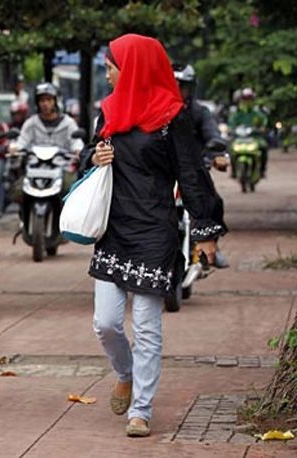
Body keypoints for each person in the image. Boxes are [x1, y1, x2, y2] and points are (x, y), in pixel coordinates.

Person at [83, 34, 224, 437]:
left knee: (146, 325)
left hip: (155, 232)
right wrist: (94, 156)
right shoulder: (107, 112)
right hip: (113, 229)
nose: (107, 72)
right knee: (105, 324)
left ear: (134, 67)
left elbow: (192, 176)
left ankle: (140, 409)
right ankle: (124, 373)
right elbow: (86, 159)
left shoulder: (170, 116)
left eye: (112, 65)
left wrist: (205, 229)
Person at [173, 63, 231, 269]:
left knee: (213, 202)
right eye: (173, 85)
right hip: (163, 175)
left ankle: (210, 245)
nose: (178, 91)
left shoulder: (198, 112)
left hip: (194, 173)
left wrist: (217, 155)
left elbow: (212, 134)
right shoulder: (153, 111)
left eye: (183, 86)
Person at [16, 83, 83, 157]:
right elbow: (22, 140)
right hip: (34, 165)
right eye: (42, 100)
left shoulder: (68, 123)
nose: (45, 104)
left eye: (49, 100)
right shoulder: (31, 123)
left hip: (63, 165)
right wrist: (15, 148)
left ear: (56, 101)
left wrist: (78, 150)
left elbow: (76, 142)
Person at [229, 87, 269, 178]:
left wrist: (262, 128)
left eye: (249, 99)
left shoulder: (257, 113)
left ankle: (262, 170)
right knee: (230, 149)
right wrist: (231, 129)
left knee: (264, 147)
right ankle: (233, 171)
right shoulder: (237, 113)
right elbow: (231, 123)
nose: (247, 101)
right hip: (239, 138)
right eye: (245, 99)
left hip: (255, 137)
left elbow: (264, 121)